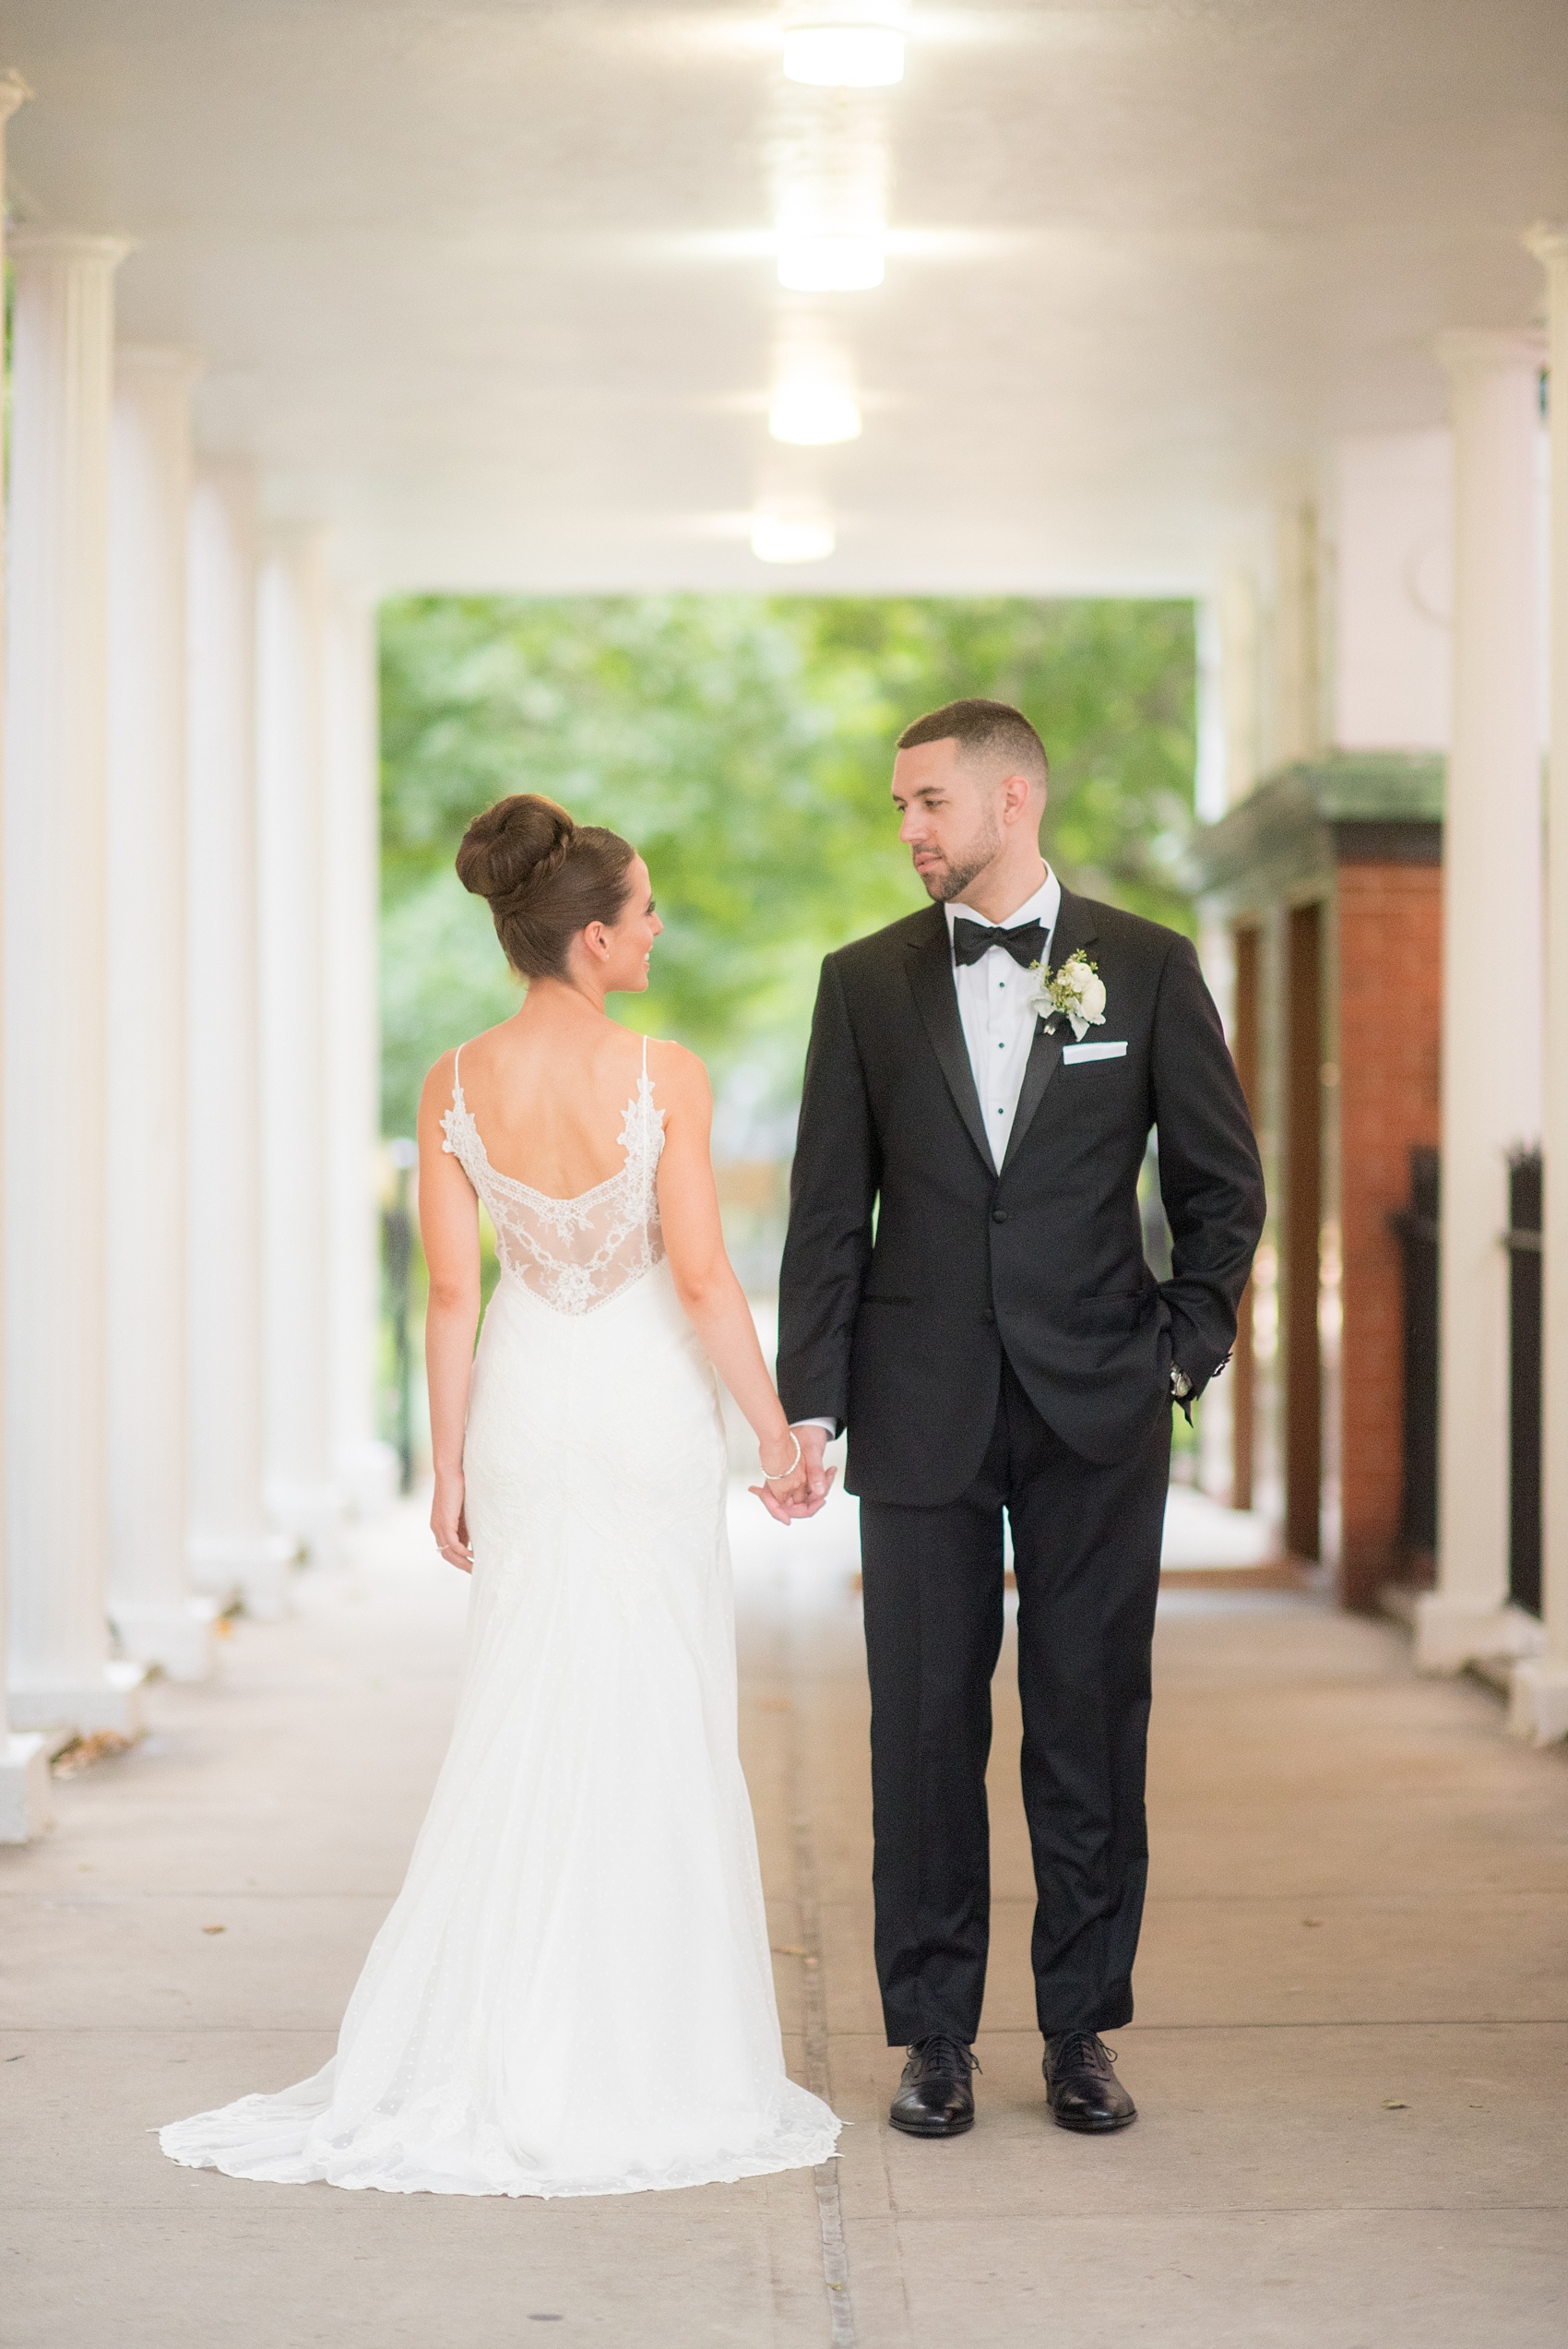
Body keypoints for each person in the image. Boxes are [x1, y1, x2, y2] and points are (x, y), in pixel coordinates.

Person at [160, 792, 839, 2199]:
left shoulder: (452, 1081)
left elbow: (455, 1294)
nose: (658, 927)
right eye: (644, 910)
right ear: (593, 939)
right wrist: (774, 1429)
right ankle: (648, 2050)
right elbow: (705, 1278)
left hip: (532, 1412)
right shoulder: (667, 1072)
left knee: (527, 1700)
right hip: (646, 1415)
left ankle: (502, 2039)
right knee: (654, 1702)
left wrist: (450, 1458)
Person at [778, 698, 1265, 2138]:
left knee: (1088, 1724)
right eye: (901, 808)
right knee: (922, 1730)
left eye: (929, 801)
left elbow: (1222, 1190)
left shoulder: (1152, 968)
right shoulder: (862, 983)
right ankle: (931, 2034)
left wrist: (1179, 1349)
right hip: (920, 1408)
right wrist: (813, 1403)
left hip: (1097, 1405)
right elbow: (826, 1216)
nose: (911, 830)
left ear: (1012, 797)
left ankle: (1080, 2029)